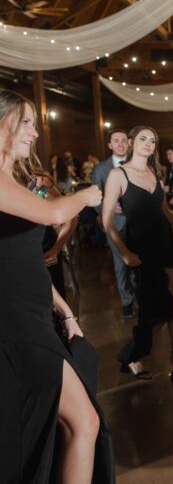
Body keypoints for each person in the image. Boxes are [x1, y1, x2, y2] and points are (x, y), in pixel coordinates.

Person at [0, 88, 112, 483]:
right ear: (4, 125)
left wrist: (66, 314)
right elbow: (54, 212)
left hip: (33, 319)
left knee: (71, 424)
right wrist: (86, 194)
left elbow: (23, 261)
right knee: (82, 422)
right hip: (15, 326)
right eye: (26, 123)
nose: (34, 133)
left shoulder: (12, 180)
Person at [103, 126, 173, 381]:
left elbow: (164, 210)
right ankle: (132, 354)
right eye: (143, 139)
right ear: (130, 142)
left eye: (153, 140)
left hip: (165, 243)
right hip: (140, 248)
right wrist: (125, 252)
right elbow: (106, 220)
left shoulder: (155, 171)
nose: (148, 144)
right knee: (153, 307)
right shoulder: (117, 175)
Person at [93, 128, 137, 319]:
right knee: (120, 265)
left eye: (123, 140)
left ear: (129, 143)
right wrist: (107, 207)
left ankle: (142, 296)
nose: (120, 144)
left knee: (139, 260)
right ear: (109, 145)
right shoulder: (101, 169)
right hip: (114, 223)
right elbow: (95, 198)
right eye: (116, 141)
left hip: (138, 222)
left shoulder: (138, 165)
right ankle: (127, 302)